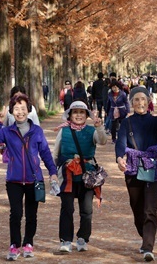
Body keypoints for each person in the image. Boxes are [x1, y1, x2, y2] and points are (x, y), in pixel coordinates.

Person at [0, 94, 58, 261]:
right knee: (16, 213)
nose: (20, 112)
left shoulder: (37, 131)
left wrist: (53, 173)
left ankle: (28, 243)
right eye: (16, 109)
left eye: (23, 109)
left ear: (29, 110)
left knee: (32, 215)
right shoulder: (7, 131)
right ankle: (14, 245)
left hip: (34, 179)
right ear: (11, 111)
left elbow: (46, 154)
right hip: (14, 180)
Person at [115, 86, 157, 262]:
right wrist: (119, 159)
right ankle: (144, 236)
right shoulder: (127, 122)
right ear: (132, 103)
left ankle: (148, 247)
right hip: (132, 168)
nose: (140, 103)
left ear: (148, 102)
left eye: (143, 99)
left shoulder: (154, 121)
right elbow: (120, 143)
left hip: (152, 167)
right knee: (137, 208)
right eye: (136, 99)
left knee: (150, 209)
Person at [53, 101, 107, 253]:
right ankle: (66, 240)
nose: (78, 115)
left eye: (82, 112)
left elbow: (102, 141)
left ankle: (83, 237)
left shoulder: (92, 131)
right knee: (67, 208)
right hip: (67, 175)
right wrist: (55, 172)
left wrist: (99, 127)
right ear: (69, 115)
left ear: (86, 115)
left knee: (86, 209)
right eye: (75, 112)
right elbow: (56, 154)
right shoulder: (63, 131)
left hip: (87, 175)